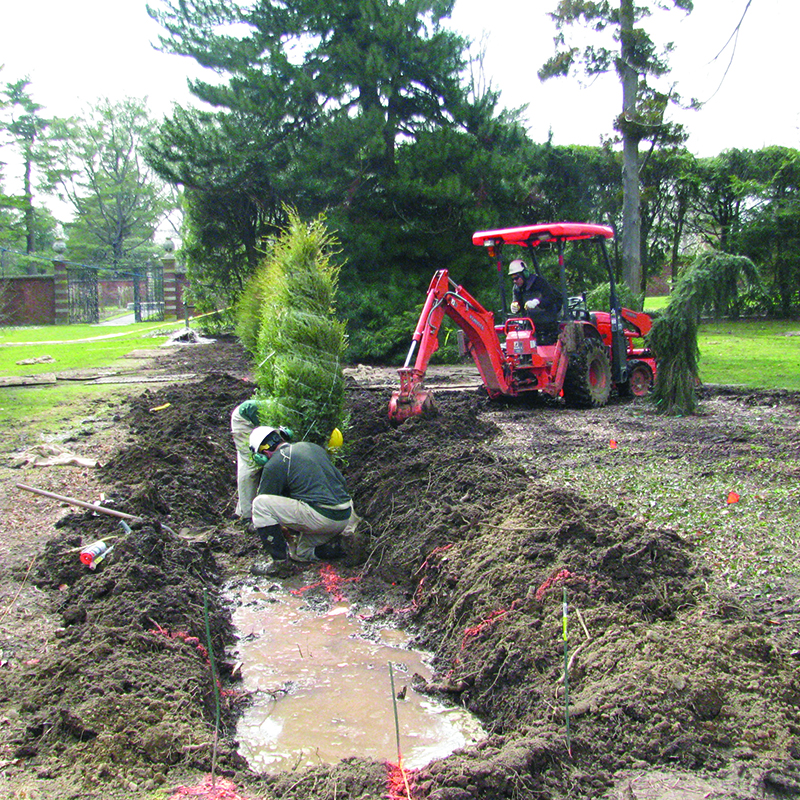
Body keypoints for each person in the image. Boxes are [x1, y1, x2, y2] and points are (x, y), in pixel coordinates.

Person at [248, 426, 358, 577]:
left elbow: (268, 510)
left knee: (260, 504)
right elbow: (341, 482)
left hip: (322, 517)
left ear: (264, 453)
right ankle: (342, 546)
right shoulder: (313, 447)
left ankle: (280, 565)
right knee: (301, 552)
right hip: (345, 515)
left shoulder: (273, 464)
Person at [230, 397, 269, 527]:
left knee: (248, 464)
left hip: (255, 421)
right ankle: (247, 516)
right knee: (252, 467)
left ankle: (240, 510)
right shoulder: (297, 418)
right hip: (243, 420)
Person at [508, 259, 562, 325]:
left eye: (516, 278)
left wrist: (537, 302)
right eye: (513, 279)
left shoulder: (539, 282)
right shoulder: (516, 288)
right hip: (529, 323)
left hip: (548, 321)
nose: (514, 281)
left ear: (524, 274)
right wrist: (515, 308)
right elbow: (517, 302)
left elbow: (551, 298)